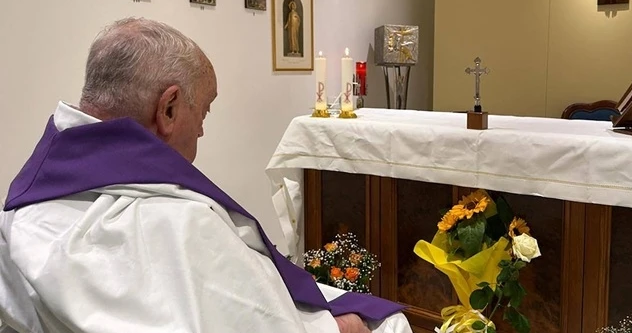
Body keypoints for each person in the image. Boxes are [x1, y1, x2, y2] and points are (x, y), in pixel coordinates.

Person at [0, 18, 411, 333]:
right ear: (169, 109)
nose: (201, 129)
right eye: (204, 110)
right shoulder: (182, 226)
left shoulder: (21, 210)